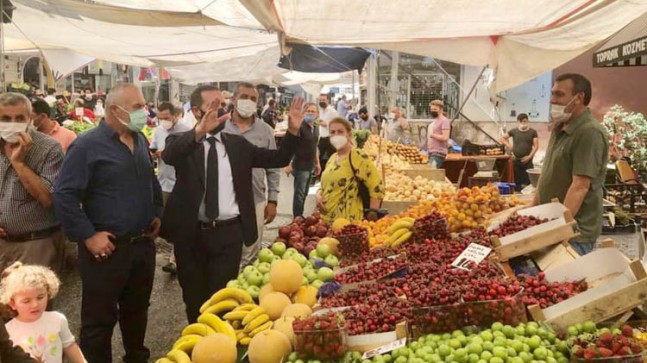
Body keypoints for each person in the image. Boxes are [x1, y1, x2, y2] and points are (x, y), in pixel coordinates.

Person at [160, 88, 305, 323]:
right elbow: (170, 155)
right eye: (214, 104)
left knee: (222, 298)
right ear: (196, 111)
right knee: (194, 299)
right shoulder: (182, 142)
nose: (222, 108)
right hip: (191, 235)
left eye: (223, 103)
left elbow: (276, 159)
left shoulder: (237, 144)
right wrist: (199, 131)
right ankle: (199, 346)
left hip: (228, 233)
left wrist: (293, 131)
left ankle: (221, 347)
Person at [52, 84, 163, 363]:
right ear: (115, 109)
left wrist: (156, 212)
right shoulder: (87, 145)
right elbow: (64, 194)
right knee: (98, 321)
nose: (145, 111)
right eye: (138, 106)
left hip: (141, 247)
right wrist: (88, 236)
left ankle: (137, 357)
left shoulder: (139, 140)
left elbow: (150, 181)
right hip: (107, 251)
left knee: (137, 312)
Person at [535, 73, 608, 255]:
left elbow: (580, 187)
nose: (552, 100)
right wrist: (530, 211)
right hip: (550, 226)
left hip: (574, 234)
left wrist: (560, 228)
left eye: (559, 95)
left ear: (579, 98)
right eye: (552, 94)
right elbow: (546, 176)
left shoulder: (589, 132)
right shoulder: (560, 128)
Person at [0, 93, 65, 273]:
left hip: (35, 244)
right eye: (5, 118)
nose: (12, 123)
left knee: (33, 300)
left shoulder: (49, 148)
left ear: (30, 119)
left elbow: (47, 198)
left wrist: (19, 163)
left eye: (19, 118)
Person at [223, 82, 280, 269]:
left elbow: (273, 168)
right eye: (244, 97)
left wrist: (272, 200)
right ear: (234, 99)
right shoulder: (220, 127)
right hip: (224, 201)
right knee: (226, 250)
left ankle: (244, 294)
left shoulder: (264, 130)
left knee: (250, 252)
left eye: (253, 98)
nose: (248, 101)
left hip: (255, 199)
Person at [1, 263, 85, 363]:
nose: (35, 304)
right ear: (12, 304)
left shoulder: (57, 320)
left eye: (40, 297)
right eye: (26, 301)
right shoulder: (8, 330)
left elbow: (69, 345)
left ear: (48, 293)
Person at [316, 117, 384, 223]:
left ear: (349, 134)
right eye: (332, 132)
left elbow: (376, 185)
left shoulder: (357, 155)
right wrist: (318, 194)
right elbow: (326, 184)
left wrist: (373, 212)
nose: (336, 135)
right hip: (326, 221)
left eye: (340, 132)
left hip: (349, 223)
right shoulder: (332, 158)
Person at [150, 102, 190, 275]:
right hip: (163, 182)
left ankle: (175, 259)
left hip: (180, 183)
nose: (163, 121)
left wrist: (169, 153)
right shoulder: (158, 131)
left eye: (166, 118)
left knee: (180, 221)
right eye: (160, 118)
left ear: (175, 115)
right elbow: (153, 148)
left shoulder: (187, 131)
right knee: (159, 219)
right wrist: (156, 152)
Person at [284, 103, 321, 217]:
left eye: (312, 111)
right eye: (308, 111)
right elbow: (290, 145)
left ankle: (300, 216)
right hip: (300, 165)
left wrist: (317, 163)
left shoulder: (315, 128)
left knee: (305, 192)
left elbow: (314, 146)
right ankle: (297, 218)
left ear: (317, 114)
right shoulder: (300, 127)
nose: (310, 113)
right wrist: (288, 163)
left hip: (310, 166)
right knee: (299, 194)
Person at [500, 113, 539, 191]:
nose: (524, 123)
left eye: (525, 121)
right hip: (516, 160)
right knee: (517, 181)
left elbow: (536, 146)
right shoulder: (514, 131)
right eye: (522, 121)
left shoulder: (533, 132)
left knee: (529, 183)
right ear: (518, 121)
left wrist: (529, 157)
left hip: (528, 161)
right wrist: (509, 146)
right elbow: (502, 138)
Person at [426, 100, 451, 168]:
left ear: (441, 110)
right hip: (431, 152)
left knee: (432, 173)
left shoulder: (444, 121)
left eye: (435, 109)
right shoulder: (434, 121)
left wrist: (432, 135)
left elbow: (445, 137)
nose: (433, 111)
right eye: (431, 109)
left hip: (438, 153)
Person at [318, 95, 338, 173]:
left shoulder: (332, 111)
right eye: (320, 100)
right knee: (318, 156)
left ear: (328, 100)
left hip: (330, 138)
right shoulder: (321, 111)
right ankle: (318, 174)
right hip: (322, 138)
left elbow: (337, 123)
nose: (322, 101)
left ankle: (333, 173)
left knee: (332, 157)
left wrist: (326, 124)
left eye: (323, 100)